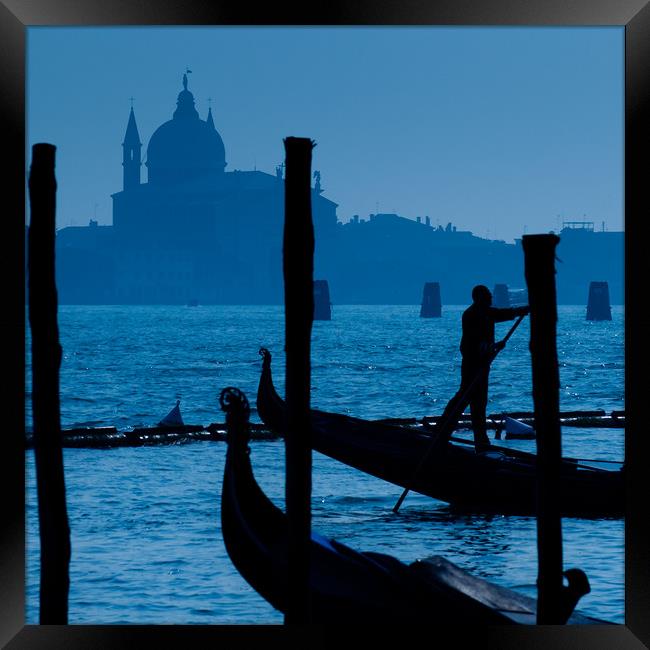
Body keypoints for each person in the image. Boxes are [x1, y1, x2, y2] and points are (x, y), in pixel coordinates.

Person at [440, 285, 529, 452]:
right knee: (463, 398)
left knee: (479, 405)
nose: (491, 298)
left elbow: (504, 313)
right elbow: (470, 346)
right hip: (472, 365)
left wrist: (523, 310)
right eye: (488, 295)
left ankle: (481, 442)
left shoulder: (487, 313)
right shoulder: (471, 315)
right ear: (479, 298)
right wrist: (493, 347)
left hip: (483, 365)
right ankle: (442, 432)